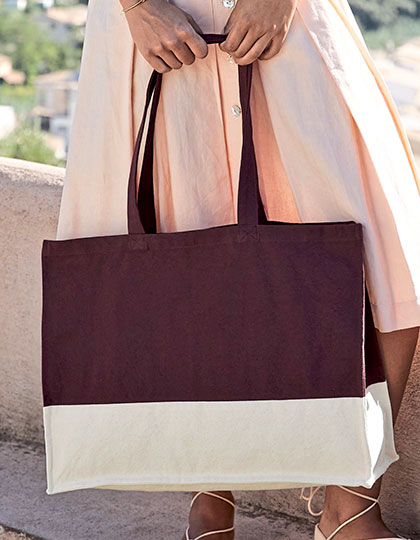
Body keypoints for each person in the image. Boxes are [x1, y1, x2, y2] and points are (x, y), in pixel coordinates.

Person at [56, 0, 420, 538]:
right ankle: (210, 509)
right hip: (153, 24)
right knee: (183, 251)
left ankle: (351, 512)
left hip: (288, 16)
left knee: (391, 249)